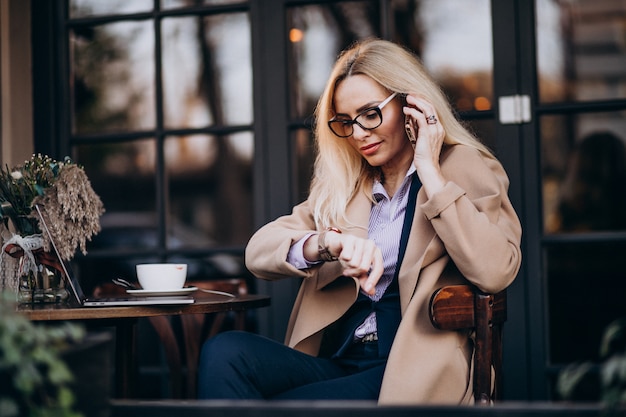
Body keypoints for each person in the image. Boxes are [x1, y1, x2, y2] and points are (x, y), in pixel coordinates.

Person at [197, 38, 522, 405]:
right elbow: (258, 252)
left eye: (371, 114)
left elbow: (496, 270)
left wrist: (431, 171)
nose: (358, 133)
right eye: (346, 122)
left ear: (410, 104)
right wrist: (326, 244)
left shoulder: (463, 166)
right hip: (339, 358)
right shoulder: (349, 183)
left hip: (410, 367)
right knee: (225, 353)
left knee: (289, 408)